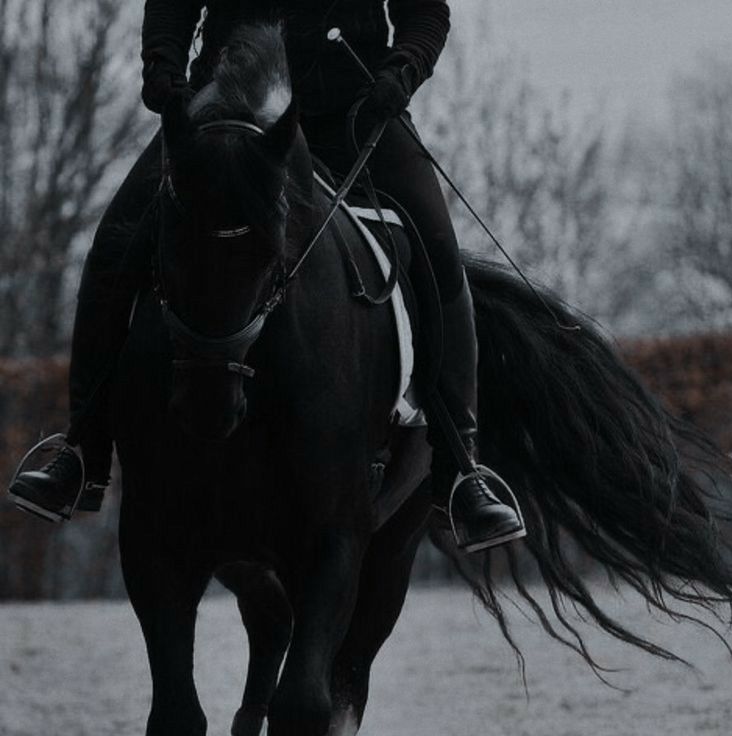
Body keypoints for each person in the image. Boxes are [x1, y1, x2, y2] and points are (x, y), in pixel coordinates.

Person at [8, 0, 525, 552]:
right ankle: (81, 451)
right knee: (115, 245)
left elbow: (424, 12)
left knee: (439, 252)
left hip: (351, 109)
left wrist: (402, 71)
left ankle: (461, 470)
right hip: (229, 108)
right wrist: (164, 67)